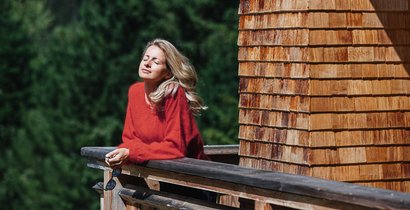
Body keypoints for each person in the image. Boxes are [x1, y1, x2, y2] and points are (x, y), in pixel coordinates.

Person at [104, 39, 215, 201]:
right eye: (145, 58)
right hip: (167, 176)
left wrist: (131, 152)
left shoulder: (173, 93)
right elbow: (130, 139)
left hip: (195, 180)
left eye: (155, 61)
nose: (147, 64)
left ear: (168, 73)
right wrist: (124, 151)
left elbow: (175, 148)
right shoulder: (135, 92)